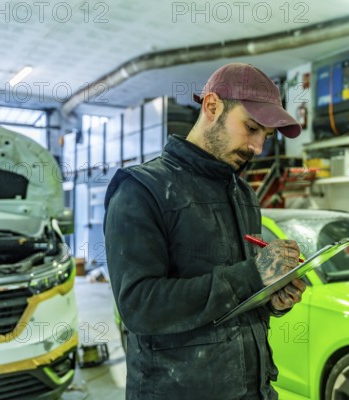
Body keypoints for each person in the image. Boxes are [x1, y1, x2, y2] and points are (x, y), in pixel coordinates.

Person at [103, 63, 307, 399]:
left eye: (265, 137)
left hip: (252, 388)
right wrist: (252, 275)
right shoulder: (141, 189)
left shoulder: (243, 196)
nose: (257, 147)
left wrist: (273, 298)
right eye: (251, 128)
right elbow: (139, 306)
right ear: (212, 106)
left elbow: (239, 297)